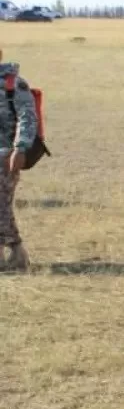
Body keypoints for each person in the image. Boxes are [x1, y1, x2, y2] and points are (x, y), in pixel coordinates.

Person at [0, 50, 37, 271]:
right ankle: (13, 253)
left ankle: (15, 252)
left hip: (6, 154)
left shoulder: (14, 84)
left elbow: (27, 117)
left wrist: (20, 148)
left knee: (1, 203)